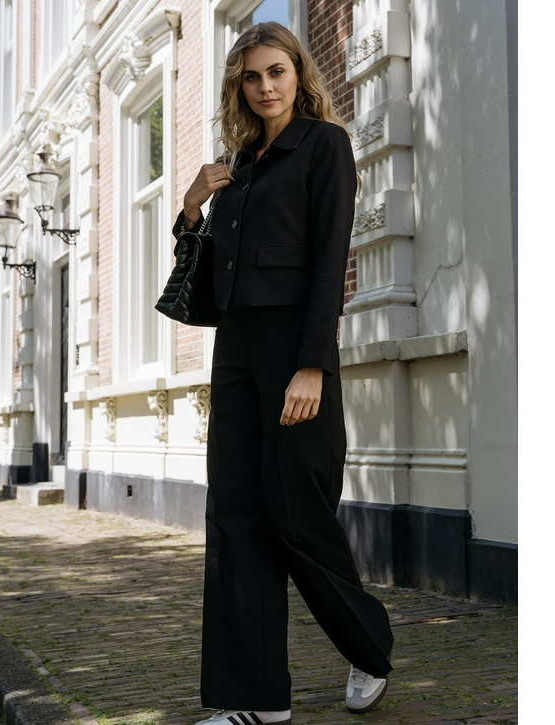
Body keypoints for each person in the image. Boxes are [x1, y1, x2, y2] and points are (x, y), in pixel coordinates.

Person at [172, 21, 394, 725]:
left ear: (299, 74)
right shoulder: (239, 163)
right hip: (236, 349)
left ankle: (369, 647)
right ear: (238, 86)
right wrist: (191, 207)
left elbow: (329, 263)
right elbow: (212, 269)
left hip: (294, 349)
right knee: (234, 516)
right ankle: (255, 702)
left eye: (277, 71)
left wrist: (312, 365)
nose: (265, 86)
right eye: (252, 76)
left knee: (297, 514)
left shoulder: (323, 144)